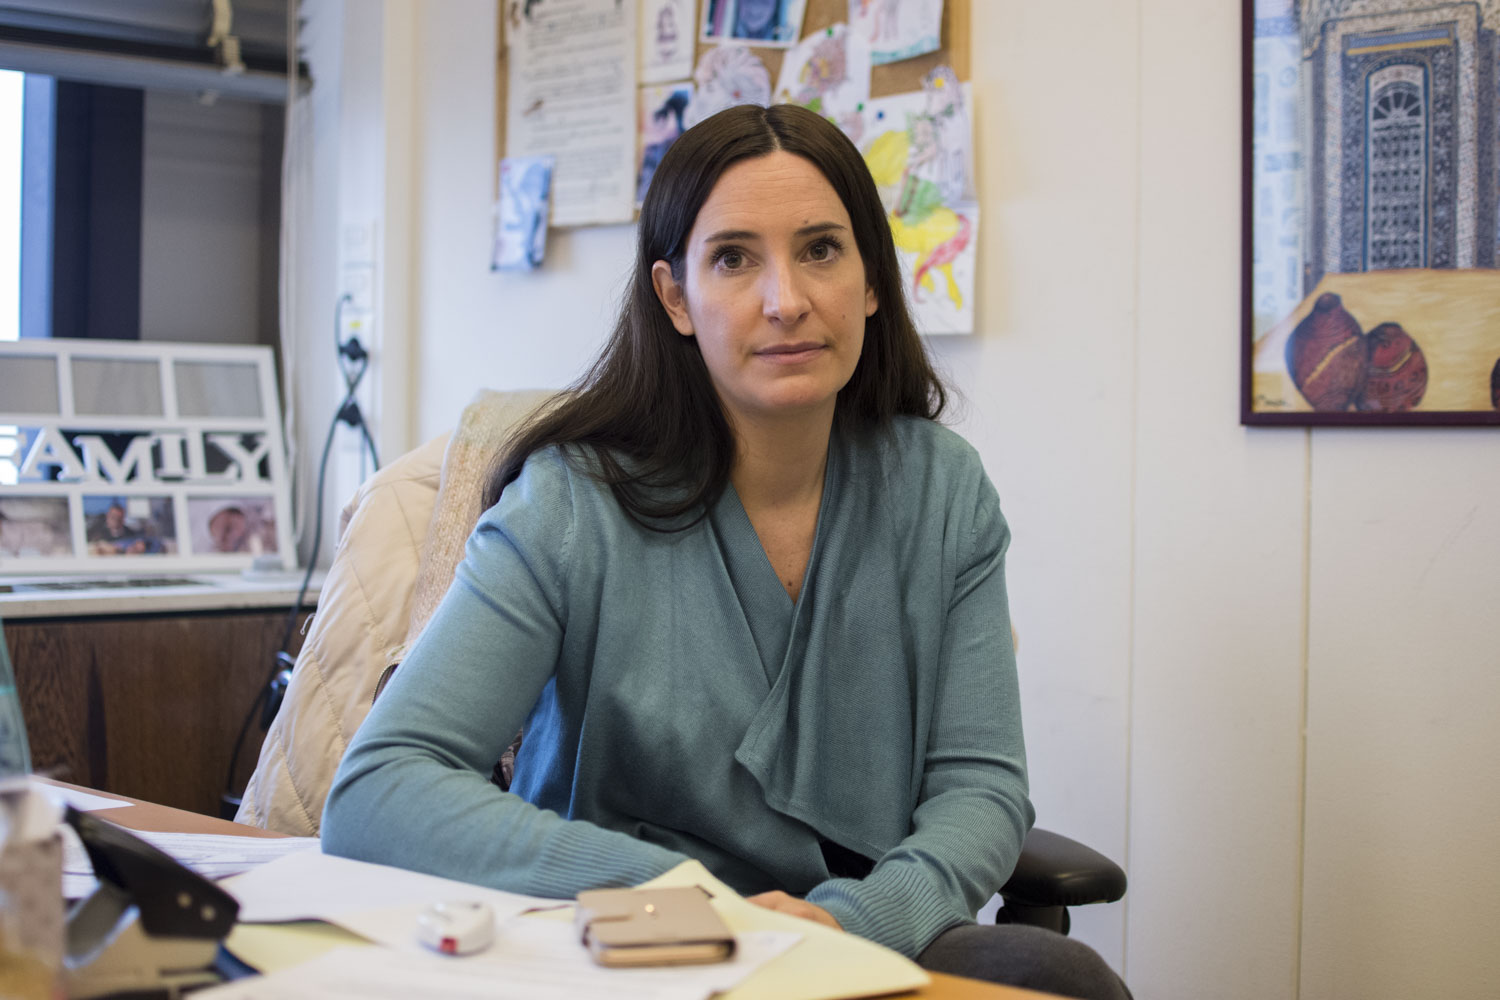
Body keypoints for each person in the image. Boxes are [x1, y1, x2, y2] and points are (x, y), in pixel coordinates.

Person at [322, 104, 1130, 999]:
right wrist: (691, 901)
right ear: (675, 297)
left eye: (821, 249)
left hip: (857, 936)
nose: (785, 300)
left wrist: (853, 922)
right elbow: (382, 786)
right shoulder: (569, 501)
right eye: (734, 258)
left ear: (870, 280)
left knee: (1060, 978)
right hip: (625, 938)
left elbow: (980, 788)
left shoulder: (943, 490)